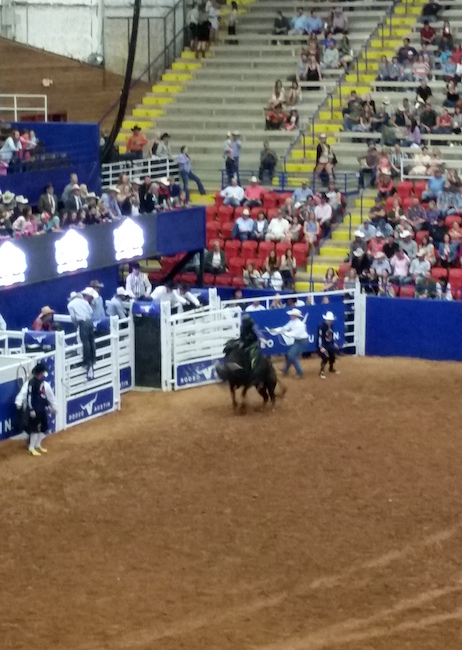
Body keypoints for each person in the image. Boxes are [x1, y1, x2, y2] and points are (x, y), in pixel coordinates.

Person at [15, 362, 57, 456]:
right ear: (40, 373)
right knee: (34, 430)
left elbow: (43, 396)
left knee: (44, 428)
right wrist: (31, 410)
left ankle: (37, 445)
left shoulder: (42, 383)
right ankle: (31, 447)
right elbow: (29, 397)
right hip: (35, 410)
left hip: (41, 409)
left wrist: (49, 406)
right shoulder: (31, 383)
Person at [68, 289, 97, 378]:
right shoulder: (84, 302)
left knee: (85, 342)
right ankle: (93, 358)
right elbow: (91, 312)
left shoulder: (70, 305)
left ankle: (87, 360)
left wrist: (76, 323)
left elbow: (73, 317)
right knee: (91, 340)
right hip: (89, 321)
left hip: (82, 322)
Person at [271, 308, 308, 378]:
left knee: (291, 355)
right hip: (298, 341)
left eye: (292, 314)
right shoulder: (292, 322)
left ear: (295, 316)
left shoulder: (300, 325)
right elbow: (284, 328)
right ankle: (285, 369)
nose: (290, 316)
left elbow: (294, 334)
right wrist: (275, 330)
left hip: (302, 341)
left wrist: (284, 333)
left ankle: (300, 373)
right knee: (291, 355)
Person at [317, 310, 339, 379]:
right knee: (325, 357)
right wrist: (321, 347)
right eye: (329, 320)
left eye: (331, 320)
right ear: (326, 320)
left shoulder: (331, 326)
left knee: (332, 355)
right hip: (321, 345)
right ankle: (321, 371)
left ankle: (331, 368)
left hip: (328, 345)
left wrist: (333, 343)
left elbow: (331, 335)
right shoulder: (321, 326)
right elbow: (319, 337)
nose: (330, 321)